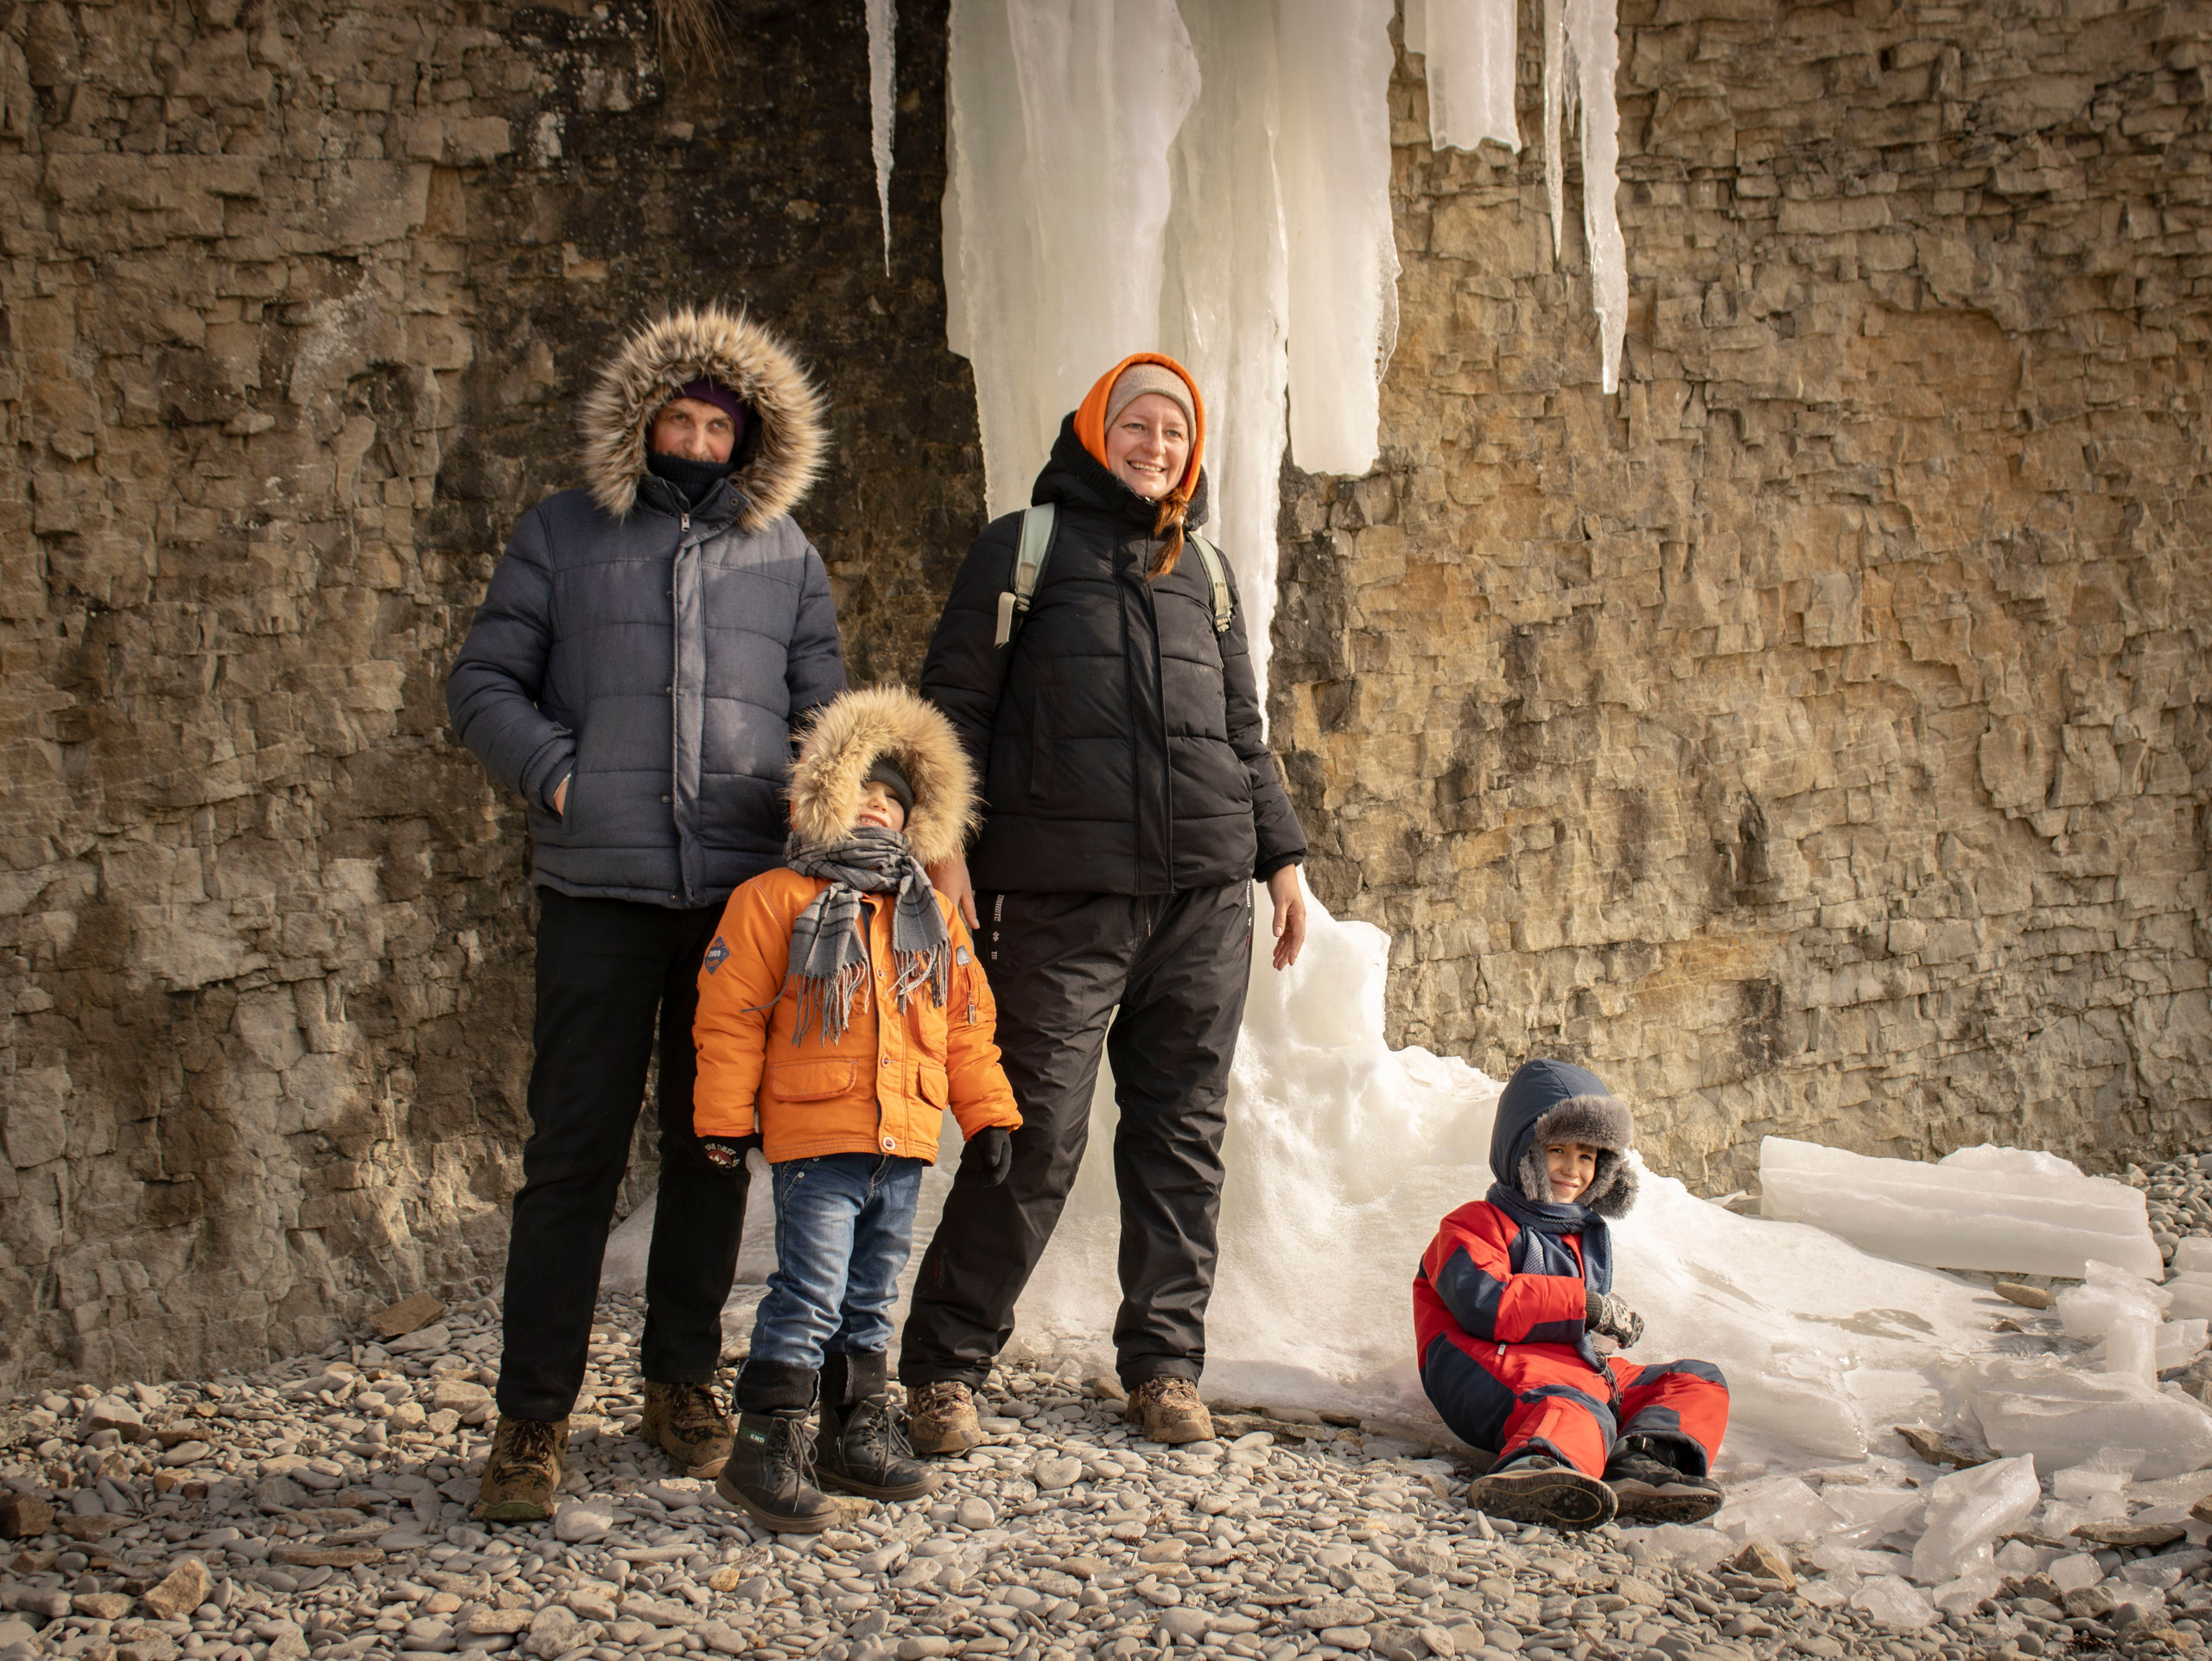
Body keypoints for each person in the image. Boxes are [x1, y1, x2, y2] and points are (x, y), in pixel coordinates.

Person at [445, 305, 845, 1521]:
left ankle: (681, 1382)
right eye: (678, 415)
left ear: (749, 439)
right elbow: (480, 682)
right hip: (596, 892)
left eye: (719, 422)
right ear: (643, 421)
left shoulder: (786, 557)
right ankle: (532, 1418)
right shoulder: (565, 533)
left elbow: (827, 717)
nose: (696, 435)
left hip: (734, 902)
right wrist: (560, 771)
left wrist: (818, 807)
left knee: (712, 1146)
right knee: (569, 1157)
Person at [898, 353, 1309, 1451]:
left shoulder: (1206, 571)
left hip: (1204, 899)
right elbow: (953, 711)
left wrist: (1284, 860)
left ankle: (1166, 1366)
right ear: (1095, 430)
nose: (1156, 445)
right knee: (1028, 1130)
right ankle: (943, 1364)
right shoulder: (1020, 549)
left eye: (1175, 431)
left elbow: (1241, 731)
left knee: (1182, 1133)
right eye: (1137, 424)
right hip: (1060, 899)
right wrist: (944, 853)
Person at [1415, 1058, 1732, 1531]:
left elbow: (1569, 1320)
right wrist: (1587, 1308)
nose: (1572, 1169)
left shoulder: (1578, 1232)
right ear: (1522, 1151)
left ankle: (1644, 1464)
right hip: (1481, 1360)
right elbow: (1488, 1304)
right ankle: (1539, 1468)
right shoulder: (1471, 1224)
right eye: (1557, 1150)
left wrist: (1604, 1331)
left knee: (1697, 1380)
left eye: (1587, 1156)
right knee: (1575, 1404)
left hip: (1568, 1365)